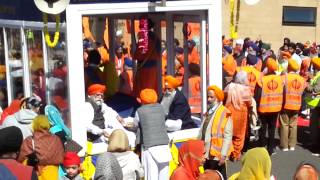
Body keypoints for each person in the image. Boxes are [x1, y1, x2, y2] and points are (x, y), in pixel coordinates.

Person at [134, 88, 171, 180]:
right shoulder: (161, 107)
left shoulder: (140, 111)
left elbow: (135, 125)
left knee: (151, 176)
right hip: (164, 146)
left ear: (142, 100)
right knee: (164, 175)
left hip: (149, 147)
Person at [198, 85, 233, 180]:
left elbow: (228, 136)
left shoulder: (225, 112)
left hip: (217, 155)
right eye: (208, 97)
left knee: (219, 177)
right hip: (206, 153)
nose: (208, 99)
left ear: (217, 98)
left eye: (211, 97)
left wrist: (224, 155)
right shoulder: (208, 112)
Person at [18, 115, 64, 179]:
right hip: (53, 174)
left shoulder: (29, 140)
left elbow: (20, 159)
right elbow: (61, 158)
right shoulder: (56, 139)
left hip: (36, 173)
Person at [257, 58, 284, 155]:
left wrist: (263, 73)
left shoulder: (263, 79)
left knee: (262, 128)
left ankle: (261, 147)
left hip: (264, 108)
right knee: (272, 129)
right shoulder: (280, 79)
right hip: (275, 108)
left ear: (267, 68)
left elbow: (258, 93)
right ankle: (270, 149)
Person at [224, 71, 252, 161]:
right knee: (239, 136)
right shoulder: (246, 89)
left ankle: (228, 153)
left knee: (228, 134)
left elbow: (223, 96)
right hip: (241, 115)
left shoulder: (229, 86)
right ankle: (235, 155)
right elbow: (250, 102)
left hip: (229, 112)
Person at [279, 59, 306, 151]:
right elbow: (304, 90)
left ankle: (285, 145)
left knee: (284, 124)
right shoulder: (302, 80)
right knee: (293, 125)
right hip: (297, 104)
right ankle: (292, 145)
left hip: (285, 104)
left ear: (288, 67)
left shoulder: (285, 77)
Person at [305, 57, 320, 152]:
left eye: (313, 66)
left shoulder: (318, 76)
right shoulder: (317, 75)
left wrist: (307, 85)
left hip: (316, 105)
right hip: (314, 103)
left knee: (314, 125)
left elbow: (316, 89)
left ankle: (314, 143)